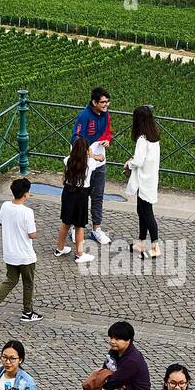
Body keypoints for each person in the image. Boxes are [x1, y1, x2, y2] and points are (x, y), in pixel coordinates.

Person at [0, 178, 41, 325]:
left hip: (10, 253)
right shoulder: (27, 212)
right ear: (26, 194)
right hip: (25, 255)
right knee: (28, 283)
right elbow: (32, 234)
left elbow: (0, 221)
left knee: (11, 280)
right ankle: (28, 312)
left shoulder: (6, 206)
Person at [71, 86, 113, 246]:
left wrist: (108, 140)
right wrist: (92, 155)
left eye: (107, 102)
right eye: (103, 102)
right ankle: (76, 228)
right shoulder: (84, 116)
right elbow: (76, 138)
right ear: (94, 102)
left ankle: (97, 229)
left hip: (100, 161)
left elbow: (109, 131)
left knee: (98, 196)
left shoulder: (106, 114)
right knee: (80, 195)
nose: (106, 105)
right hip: (85, 162)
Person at [124, 105, 161, 258]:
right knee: (142, 211)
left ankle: (155, 246)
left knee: (147, 213)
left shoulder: (142, 139)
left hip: (143, 181)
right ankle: (140, 242)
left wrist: (128, 164)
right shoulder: (154, 138)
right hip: (150, 179)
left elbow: (138, 161)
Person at [54, 137, 96, 266]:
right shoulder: (90, 163)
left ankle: (59, 248)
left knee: (65, 222)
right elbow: (93, 157)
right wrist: (91, 153)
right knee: (79, 225)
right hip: (81, 194)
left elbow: (69, 155)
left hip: (67, 192)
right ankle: (79, 253)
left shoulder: (67, 160)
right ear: (86, 151)